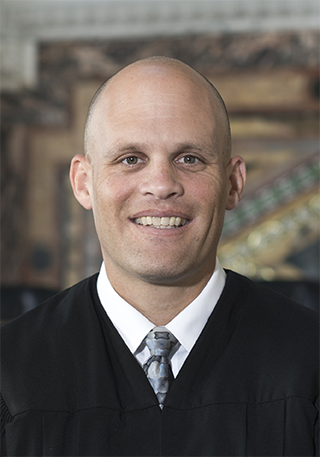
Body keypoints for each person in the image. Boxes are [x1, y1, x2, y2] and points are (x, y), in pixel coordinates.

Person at [0, 57, 320, 457]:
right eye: (130, 159)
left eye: (190, 158)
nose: (161, 185)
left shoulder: (311, 362)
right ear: (83, 183)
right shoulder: (9, 373)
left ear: (234, 183)